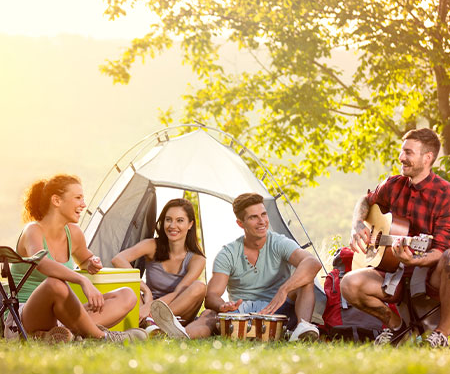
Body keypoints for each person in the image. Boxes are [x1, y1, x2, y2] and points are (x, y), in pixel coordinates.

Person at [4, 174, 147, 343]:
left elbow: (84, 258)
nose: (84, 204)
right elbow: (42, 263)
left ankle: (63, 336)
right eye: (78, 198)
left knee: (127, 295)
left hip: (61, 318)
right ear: (56, 201)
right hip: (24, 316)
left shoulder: (73, 232)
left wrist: (92, 262)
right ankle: (103, 337)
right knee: (55, 283)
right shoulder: (33, 230)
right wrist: (82, 280)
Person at [341, 128, 450, 347]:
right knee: (349, 284)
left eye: (408, 152)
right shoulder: (394, 184)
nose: (401, 157)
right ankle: (397, 328)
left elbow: (439, 250)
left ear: (427, 157)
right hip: (394, 270)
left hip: (430, 274)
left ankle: (442, 334)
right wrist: (357, 224)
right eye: (402, 151)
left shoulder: (445, 194)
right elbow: (366, 200)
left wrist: (413, 260)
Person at [205, 192, 322, 341]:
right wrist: (223, 306)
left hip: (279, 310)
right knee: (208, 315)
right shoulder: (228, 253)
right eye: (253, 217)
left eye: (264, 214)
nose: (262, 221)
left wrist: (283, 290)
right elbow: (211, 296)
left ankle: (302, 329)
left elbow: (312, 263)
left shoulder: (278, 242)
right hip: (243, 314)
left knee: (305, 278)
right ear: (240, 223)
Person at [112, 198, 213, 339]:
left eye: (180, 220)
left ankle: (154, 323)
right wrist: (146, 290)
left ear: (190, 224)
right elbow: (118, 259)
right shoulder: (152, 245)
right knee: (128, 284)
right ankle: (150, 326)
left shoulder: (197, 259)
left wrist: (152, 308)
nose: (172, 225)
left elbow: (180, 291)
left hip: (177, 311)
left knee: (199, 287)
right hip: (146, 304)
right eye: (168, 219)